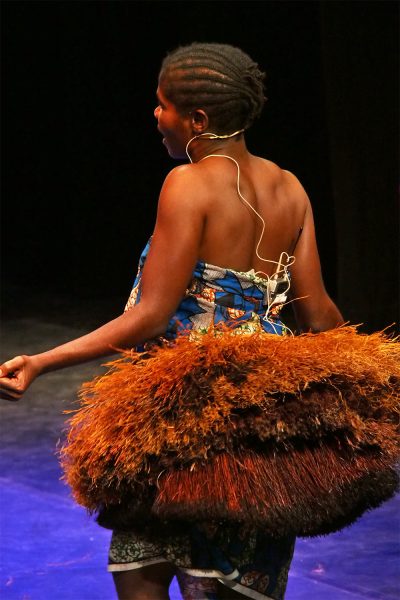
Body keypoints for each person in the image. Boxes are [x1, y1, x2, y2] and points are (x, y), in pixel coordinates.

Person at [1, 41, 360, 600]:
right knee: (236, 577)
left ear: (197, 119)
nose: (155, 115)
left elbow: (150, 317)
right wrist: (364, 366)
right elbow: (316, 313)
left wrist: (43, 361)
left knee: (144, 574)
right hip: (261, 417)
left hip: (184, 417)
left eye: (162, 105)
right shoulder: (292, 188)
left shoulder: (187, 184)